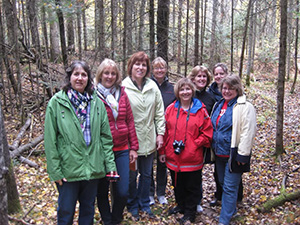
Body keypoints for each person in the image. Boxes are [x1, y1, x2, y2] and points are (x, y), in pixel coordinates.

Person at [44, 61, 117, 225]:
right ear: (69, 77)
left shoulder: (96, 102)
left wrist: (110, 165)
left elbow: (105, 138)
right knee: (65, 212)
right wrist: (55, 171)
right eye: (76, 74)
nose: (80, 78)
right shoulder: (57, 103)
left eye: (84, 75)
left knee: (88, 211)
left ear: (88, 79)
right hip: (68, 170)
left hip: (92, 168)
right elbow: (50, 140)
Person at [159, 78, 213, 224]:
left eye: (188, 89)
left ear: (192, 90)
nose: (185, 92)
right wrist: (162, 151)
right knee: (177, 184)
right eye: (182, 89)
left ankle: (190, 212)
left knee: (192, 186)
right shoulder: (171, 109)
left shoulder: (200, 110)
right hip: (173, 156)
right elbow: (164, 131)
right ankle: (181, 205)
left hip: (192, 157)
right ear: (177, 92)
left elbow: (208, 133)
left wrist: (194, 144)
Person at [95, 59, 139, 225]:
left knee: (122, 191)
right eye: (106, 73)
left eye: (113, 73)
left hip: (122, 149)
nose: (109, 76)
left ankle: (115, 218)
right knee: (102, 191)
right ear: (100, 74)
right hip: (102, 150)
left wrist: (133, 148)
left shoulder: (122, 93)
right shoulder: (93, 95)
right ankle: (107, 220)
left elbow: (130, 120)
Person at [122, 51, 165, 220]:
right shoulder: (123, 87)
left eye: (143, 65)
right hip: (131, 141)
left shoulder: (152, 86)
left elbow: (160, 112)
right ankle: (132, 205)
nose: (140, 67)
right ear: (131, 67)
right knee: (132, 175)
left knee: (147, 174)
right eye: (137, 64)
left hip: (150, 139)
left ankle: (144, 204)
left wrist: (160, 133)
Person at [210, 75, 256, 225]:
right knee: (223, 183)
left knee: (230, 187)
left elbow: (247, 132)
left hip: (233, 154)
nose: (227, 91)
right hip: (219, 153)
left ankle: (224, 220)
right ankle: (232, 210)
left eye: (230, 88)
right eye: (224, 88)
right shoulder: (218, 104)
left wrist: (242, 155)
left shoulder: (245, 106)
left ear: (237, 89)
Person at [208, 63, 244, 207]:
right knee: (220, 176)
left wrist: (242, 152)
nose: (218, 76)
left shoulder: (240, 103)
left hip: (231, 147)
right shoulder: (212, 94)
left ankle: (235, 201)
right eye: (215, 74)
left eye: (221, 74)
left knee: (232, 179)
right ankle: (221, 197)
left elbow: (246, 131)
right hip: (217, 146)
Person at [188, 65, 216, 213]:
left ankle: (197, 200)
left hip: (202, 141)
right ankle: (184, 199)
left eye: (204, 76)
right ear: (193, 78)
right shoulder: (187, 94)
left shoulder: (210, 98)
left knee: (197, 172)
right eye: (198, 76)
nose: (201, 79)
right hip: (186, 140)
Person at [149, 57, 176, 206]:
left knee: (162, 164)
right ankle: (149, 193)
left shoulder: (172, 89)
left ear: (166, 69)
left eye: (162, 68)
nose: (159, 71)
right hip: (148, 131)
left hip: (166, 132)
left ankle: (161, 193)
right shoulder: (147, 86)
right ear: (152, 70)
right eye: (156, 68)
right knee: (147, 166)